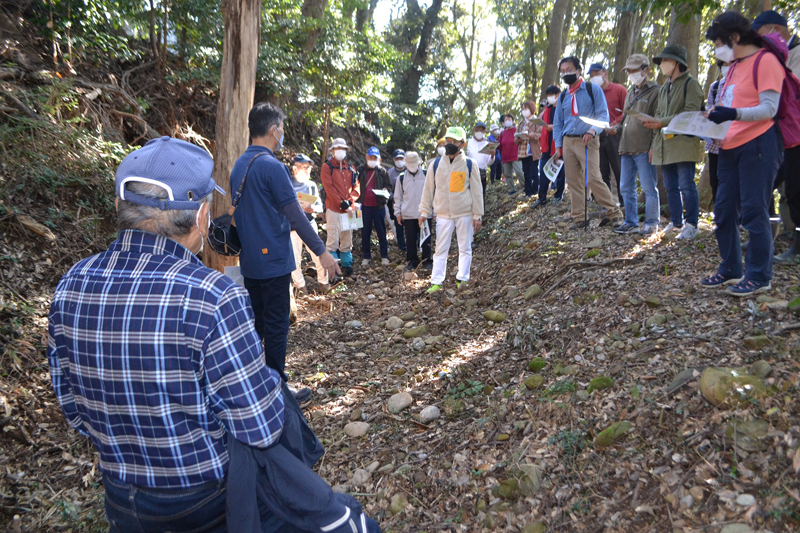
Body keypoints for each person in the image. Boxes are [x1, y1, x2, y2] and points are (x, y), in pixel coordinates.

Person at [48, 137, 378, 533]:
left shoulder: (71, 285)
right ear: (202, 216)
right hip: (206, 501)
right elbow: (260, 425)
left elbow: (73, 408)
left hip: (121, 497)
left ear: (120, 206)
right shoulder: (212, 295)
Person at [231, 104, 338, 401]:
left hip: (250, 259)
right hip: (274, 260)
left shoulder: (239, 165)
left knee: (257, 324)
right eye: (281, 129)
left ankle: (251, 381)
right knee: (277, 326)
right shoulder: (272, 167)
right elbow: (295, 215)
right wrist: (323, 252)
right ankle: (276, 386)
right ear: (274, 130)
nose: (282, 135)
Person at [700, 11, 786, 295]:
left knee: (753, 210)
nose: (717, 49)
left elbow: (769, 108)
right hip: (728, 147)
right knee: (723, 211)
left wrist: (732, 113)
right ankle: (731, 268)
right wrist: (710, 117)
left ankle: (760, 275)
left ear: (735, 37)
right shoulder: (734, 66)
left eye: (719, 42)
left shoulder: (766, 60)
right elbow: (729, 103)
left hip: (758, 145)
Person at [553, 56, 624, 229]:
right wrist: (558, 146)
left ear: (579, 70)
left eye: (569, 69)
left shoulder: (593, 90)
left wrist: (592, 130)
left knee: (592, 178)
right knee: (573, 181)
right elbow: (558, 123)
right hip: (568, 141)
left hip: (588, 140)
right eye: (563, 71)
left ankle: (615, 213)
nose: (566, 73)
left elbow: (603, 115)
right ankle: (579, 217)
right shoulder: (563, 96)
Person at [642, 44, 705, 240]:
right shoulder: (665, 88)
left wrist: (661, 122)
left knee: (686, 183)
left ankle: (692, 224)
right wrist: (654, 141)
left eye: (665, 61)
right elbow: (659, 114)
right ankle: (677, 222)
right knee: (670, 185)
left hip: (684, 142)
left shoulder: (691, 84)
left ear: (676, 63)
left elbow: (691, 112)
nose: (662, 65)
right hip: (665, 144)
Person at [419, 126, 483, 293]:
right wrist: (424, 212)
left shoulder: (470, 164)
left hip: (464, 213)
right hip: (443, 214)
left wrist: (478, 215)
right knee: (440, 249)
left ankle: (463, 279)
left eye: (453, 141)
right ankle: (436, 281)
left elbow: (477, 192)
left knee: (465, 247)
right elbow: (428, 189)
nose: (449, 144)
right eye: (447, 141)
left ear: (462, 144)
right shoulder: (435, 164)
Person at [611, 54, 661, 235]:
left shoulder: (656, 91)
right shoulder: (631, 92)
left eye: (634, 70)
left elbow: (658, 121)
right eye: (629, 71)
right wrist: (615, 129)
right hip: (626, 146)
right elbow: (625, 118)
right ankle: (631, 222)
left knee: (648, 187)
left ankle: (652, 223)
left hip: (643, 147)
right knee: (625, 186)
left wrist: (654, 146)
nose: (631, 74)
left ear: (645, 70)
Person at [587, 62, 628, 206]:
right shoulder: (593, 93)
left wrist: (615, 124)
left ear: (605, 74)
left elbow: (627, 112)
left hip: (615, 136)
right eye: (591, 76)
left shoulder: (619, 90)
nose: (594, 78)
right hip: (599, 137)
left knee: (619, 171)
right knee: (602, 172)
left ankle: (624, 204)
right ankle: (606, 205)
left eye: (597, 74)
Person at [320, 137, 360, 277]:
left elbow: (356, 186)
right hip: (333, 209)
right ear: (332, 151)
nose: (340, 151)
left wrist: (349, 201)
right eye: (337, 149)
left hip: (348, 210)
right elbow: (329, 188)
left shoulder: (351, 168)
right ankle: (332, 270)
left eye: (342, 149)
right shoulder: (327, 167)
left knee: (347, 239)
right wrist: (341, 203)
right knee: (332, 240)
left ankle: (347, 266)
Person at [289, 153, 328, 292]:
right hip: (292, 227)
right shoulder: (287, 183)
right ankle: (301, 287)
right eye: (303, 167)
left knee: (318, 253)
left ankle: (324, 283)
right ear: (295, 168)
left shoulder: (311, 185)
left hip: (309, 223)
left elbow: (319, 206)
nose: (306, 170)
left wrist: (314, 209)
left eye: (308, 167)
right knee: (294, 258)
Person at [394, 151, 432, 270]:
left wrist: (434, 212)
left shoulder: (426, 174)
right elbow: (397, 197)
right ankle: (412, 261)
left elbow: (433, 194)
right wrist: (398, 213)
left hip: (425, 213)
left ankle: (426, 260)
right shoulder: (401, 178)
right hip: (408, 214)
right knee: (410, 239)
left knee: (426, 238)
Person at [357, 147, 391, 266]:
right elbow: (355, 186)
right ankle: (366, 256)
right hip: (364, 207)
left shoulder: (382, 172)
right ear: (366, 157)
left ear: (379, 159)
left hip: (378, 206)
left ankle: (384, 256)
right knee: (365, 232)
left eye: (374, 158)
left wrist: (386, 190)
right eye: (370, 157)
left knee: (381, 231)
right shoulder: (361, 170)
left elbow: (389, 185)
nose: (372, 160)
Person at [705, 60, 732, 206]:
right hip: (715, 144)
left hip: (734, 141)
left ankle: (738, 219)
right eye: (723, 64)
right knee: (715, 181)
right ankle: (719, 217)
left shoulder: (741, 85)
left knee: (732, 181)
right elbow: (709, 110)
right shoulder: (715, 87)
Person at [536, 85, 566, 207]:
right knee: (543, 172)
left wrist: (552, 127)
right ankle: (541, 198)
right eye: (548, 95)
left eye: (552, 95)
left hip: (558, 145)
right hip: (546, 146)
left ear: (558, 94)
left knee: (560, 172)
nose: (550, 98)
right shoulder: (546, 111)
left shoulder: (563, 108)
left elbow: (566, 125)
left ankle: (559, 195)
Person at [518, 101, 543, 198]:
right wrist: (518, 138)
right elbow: (516, 138)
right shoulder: (521, 122)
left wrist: (531, 135)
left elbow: (540, 134)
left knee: (534, 171)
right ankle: (528, 192)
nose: (524, 111)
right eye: (523, 109)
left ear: (532, 109)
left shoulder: (537, 121)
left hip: (533, 150)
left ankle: (535, 190)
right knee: (526, 171)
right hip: (523, 151)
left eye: (526, 109)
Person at [465, 121, 495, 199]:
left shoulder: (487, 144)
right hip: (470, 173)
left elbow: (490, 162)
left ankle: (481, 211)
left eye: (482, 130)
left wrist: (492, 155)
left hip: (482, 174)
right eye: (477, 130)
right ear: (474, 130)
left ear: (484, 132)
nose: (479, 132)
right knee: (470, 196)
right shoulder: (468, 142)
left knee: (481, 196)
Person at [386, 149, 407, 252]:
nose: (399, 161)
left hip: (409, 203)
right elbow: (387, 189)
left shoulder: (410, 170)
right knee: (398, 226)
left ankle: (414, 244)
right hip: (395, 203)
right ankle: (402, 246)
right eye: (397, 159)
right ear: (394, 160)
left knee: (411, 225)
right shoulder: (390, 173)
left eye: (401, 158)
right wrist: (393, 197)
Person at [498, 114, 524, 195]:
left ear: (513, 121)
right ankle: (512, 189)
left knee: (519, 172)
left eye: (509, 119)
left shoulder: (516, 130)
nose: (507, 121)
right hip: (505, 157)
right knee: (507, 174)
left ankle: (525, 186)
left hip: (516, 156)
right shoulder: (502, 133)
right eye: (505, 120)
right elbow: (499, 145)